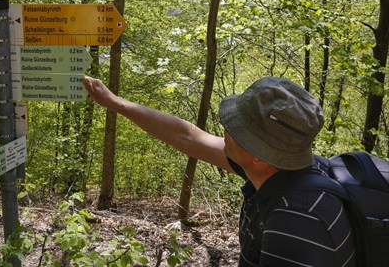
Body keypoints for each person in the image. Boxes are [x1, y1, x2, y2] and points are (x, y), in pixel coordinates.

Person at [83, 75, 356, 266]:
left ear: (259, 155)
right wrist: (116, 103)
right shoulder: (281, 170)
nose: (226, 129)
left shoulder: (297, 221)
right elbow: (188, 136)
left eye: (237, 128)